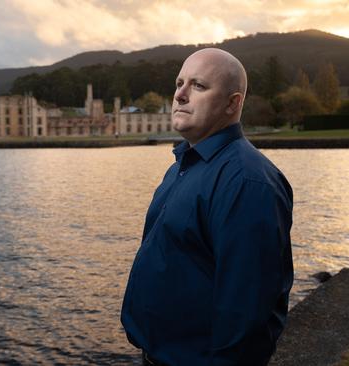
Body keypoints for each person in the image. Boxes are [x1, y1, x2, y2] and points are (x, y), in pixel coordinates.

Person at [121, 48, 294, 366]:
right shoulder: (183, 164)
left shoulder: (247, 182)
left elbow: (247, 309)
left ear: (233, 103)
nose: (180, 95)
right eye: (179, 83)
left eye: (198, 86)